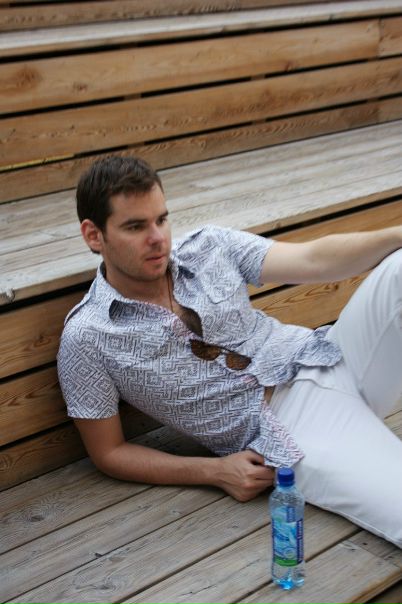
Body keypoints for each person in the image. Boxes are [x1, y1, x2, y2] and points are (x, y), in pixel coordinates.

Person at [57, 155, 402, 548]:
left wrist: (397, 233)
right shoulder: (88, 337)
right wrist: (215, 471)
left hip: (330, 353)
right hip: (293, 429)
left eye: (162, 219)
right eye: (135, 227)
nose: (157, 238)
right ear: (94, 235)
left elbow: (312, 258)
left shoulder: (210, 246)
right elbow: (109, 452)